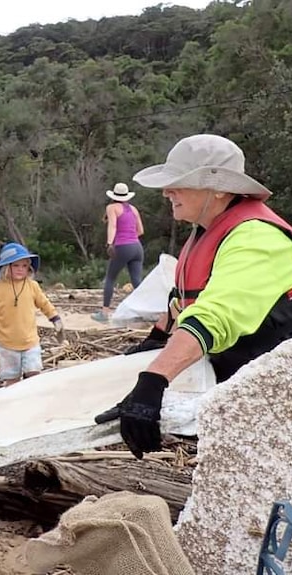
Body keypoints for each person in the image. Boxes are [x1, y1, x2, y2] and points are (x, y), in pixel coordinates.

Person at [94, 134, 292, 459]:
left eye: (179, 183)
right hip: (238, 383)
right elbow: (182, 298)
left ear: (220, 188)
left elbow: (214, 315)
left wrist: (154, 380)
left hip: (276, 395)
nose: (166, 192)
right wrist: (157, 336)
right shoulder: (207, 229)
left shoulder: (256, 237)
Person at [0, 243, 64, 386]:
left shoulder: (32, 286)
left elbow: (45, 304)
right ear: (7, 267)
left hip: (30, 341)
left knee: (34, 376)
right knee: (12, 380)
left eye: (24, 266)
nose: (20, 269)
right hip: (6, 343)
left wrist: (55, 319)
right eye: (16, 265)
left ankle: (32, 402)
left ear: (29, 268)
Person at [92, 183, 145, 322]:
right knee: (137, 281)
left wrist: (110, 243)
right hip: (137, 247)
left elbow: (113, 225)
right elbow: (140, 231)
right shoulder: (133, 209)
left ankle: (104, 313)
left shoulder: (112, 207)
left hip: (123, 246)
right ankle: (143, 311)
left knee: (110, 278)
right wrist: (130, 238)